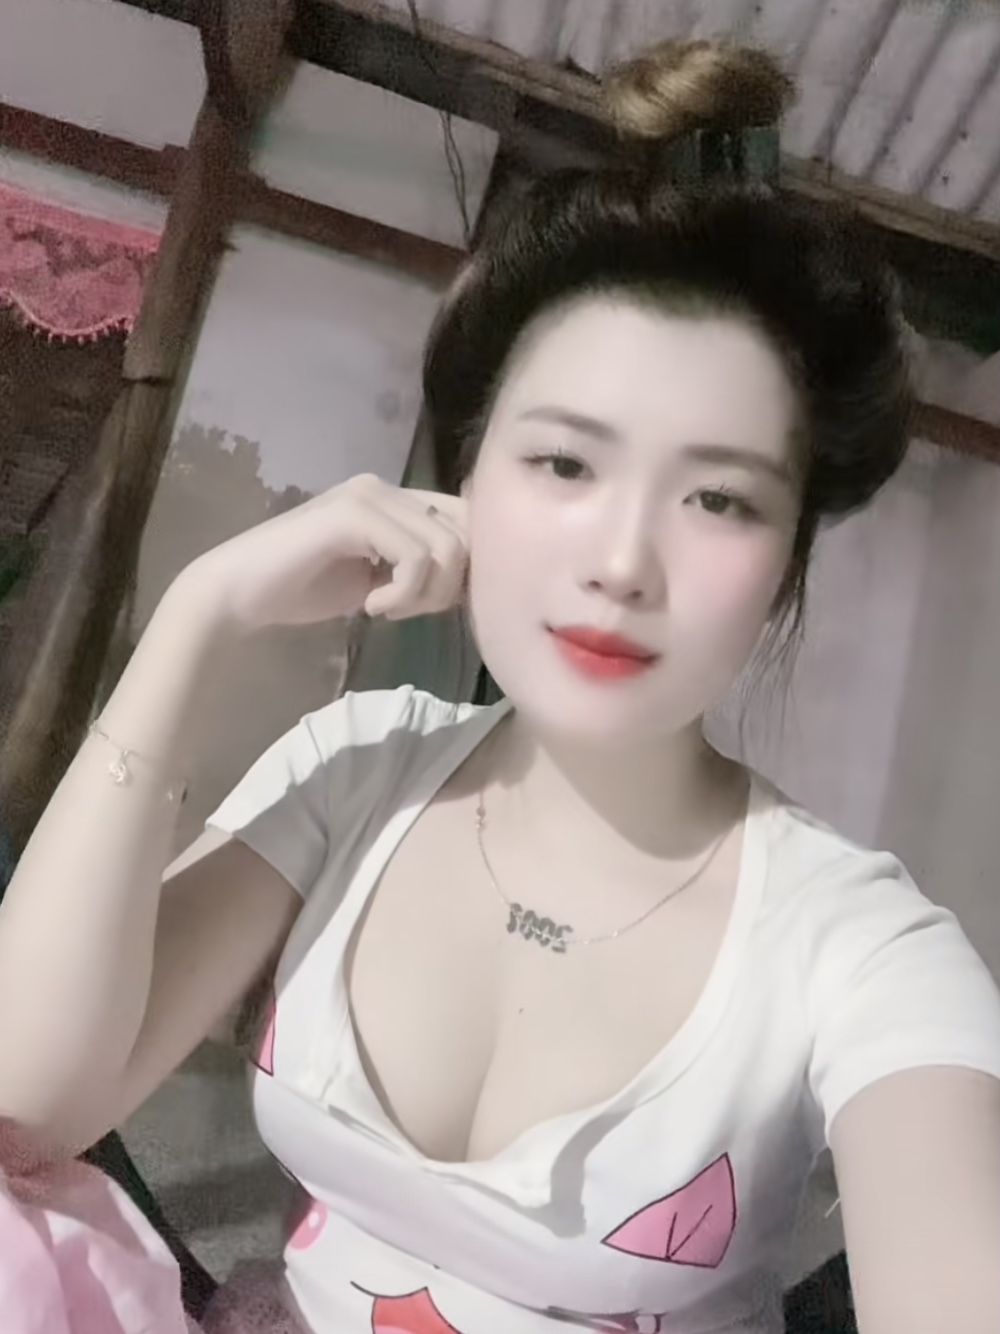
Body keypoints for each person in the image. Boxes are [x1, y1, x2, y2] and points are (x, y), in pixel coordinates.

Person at [0, 38, 998, 1334]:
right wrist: (198, 618)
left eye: (719, 498)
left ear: (787, 563)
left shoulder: (858, 947)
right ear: (466, 476)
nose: (622, 562)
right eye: (565, 465)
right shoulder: (360, 767)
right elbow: (28, 1106)